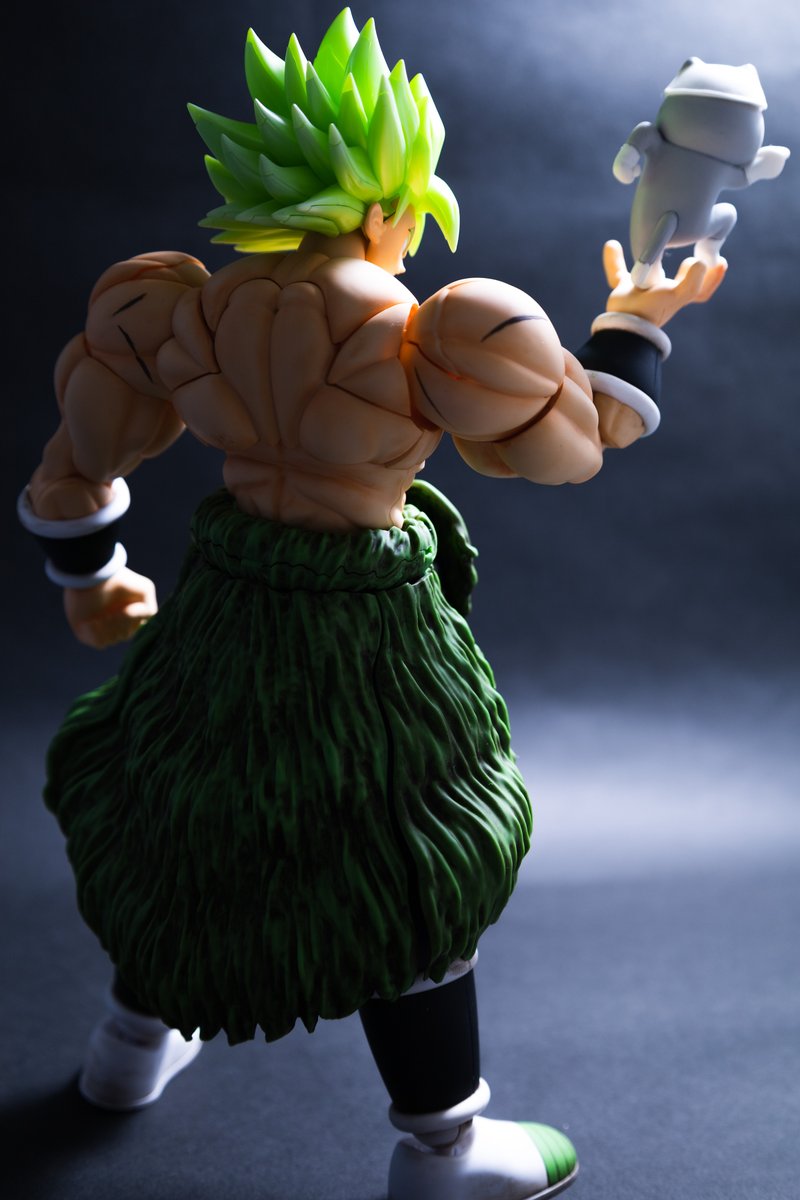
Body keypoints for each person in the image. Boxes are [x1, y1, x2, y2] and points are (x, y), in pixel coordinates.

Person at [17, 11, 725, 1198]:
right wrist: (634, 323)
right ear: (393, 198)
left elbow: (72, 468)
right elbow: (580, 444)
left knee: (186, 811)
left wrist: (90, 581)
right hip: (367, 638)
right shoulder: (439, 327)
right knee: (407, 855)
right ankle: (443, 1150)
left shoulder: (177, 306)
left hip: (226, 608)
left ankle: (127, 1050)